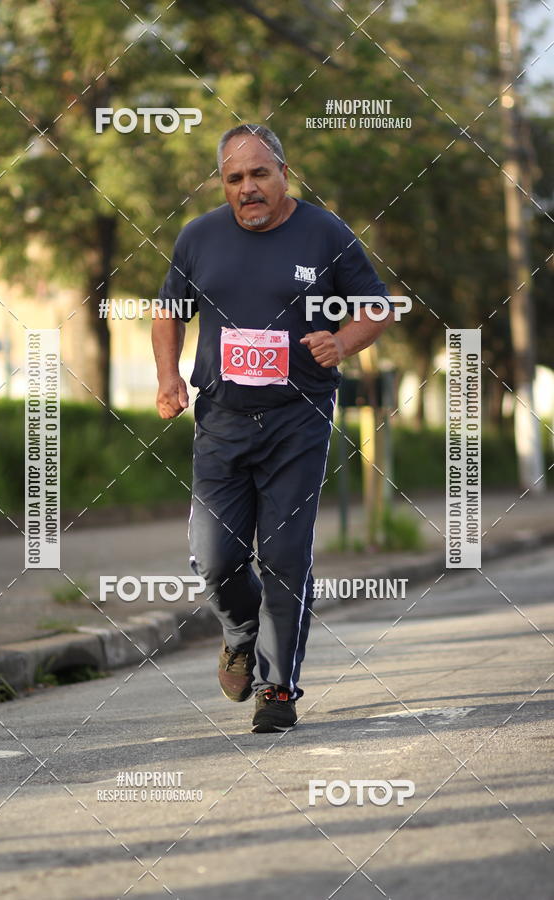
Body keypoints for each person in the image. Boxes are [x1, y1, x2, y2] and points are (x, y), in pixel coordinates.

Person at [152, 123, 393, 733]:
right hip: (223, 420)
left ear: (284, 172)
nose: (248, 188)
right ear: (223, 184)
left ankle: (278, 688)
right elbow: (167, 314)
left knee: (285, 555)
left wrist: (340, 341)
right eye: (235, 178)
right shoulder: (198, 237)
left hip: (298, 419)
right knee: (213, 556)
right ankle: (240, 632)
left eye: (260, 173)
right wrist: (168, 377)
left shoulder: (325, 232)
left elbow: (376, 307)